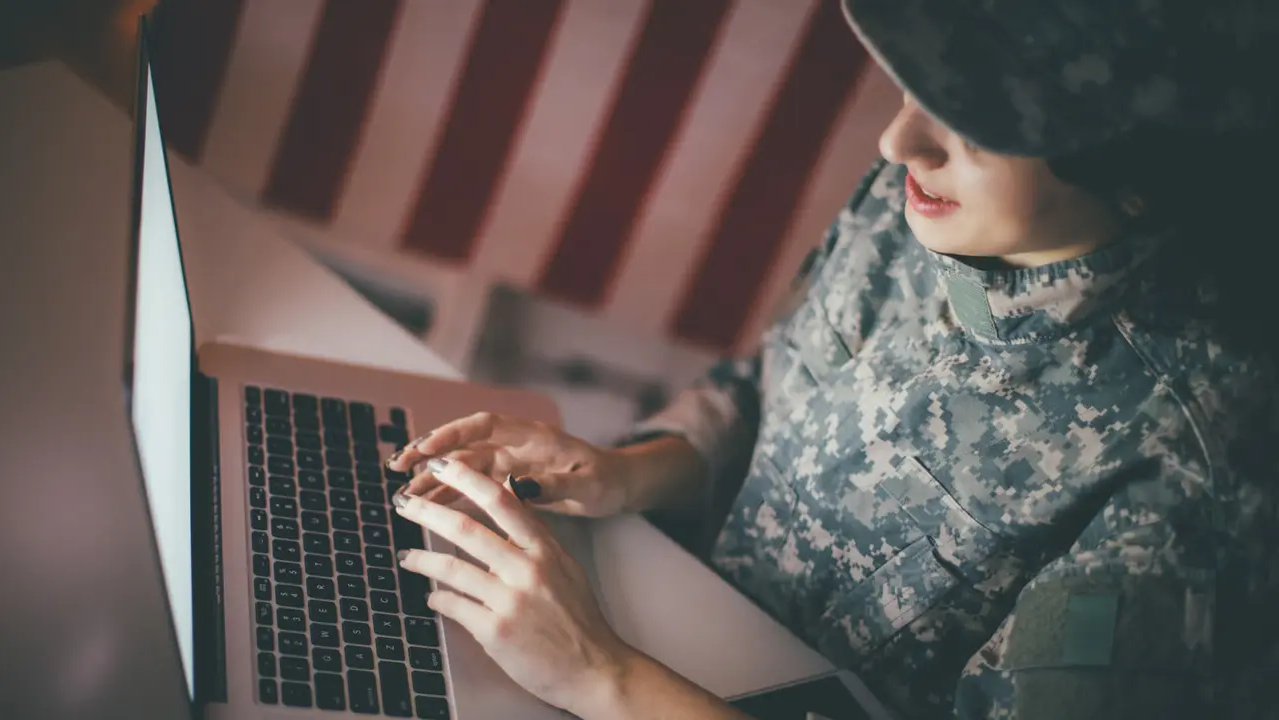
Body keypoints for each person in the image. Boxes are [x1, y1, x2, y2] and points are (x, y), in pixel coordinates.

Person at [386, 1, 1279, 717]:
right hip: (644, 624)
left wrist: (601, 681)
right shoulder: (917, 207)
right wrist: (625, 472)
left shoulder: (1194, 469)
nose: (900, 142)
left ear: (1138, 169)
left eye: (976, 127)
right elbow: (769, 384)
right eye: (912, 87)